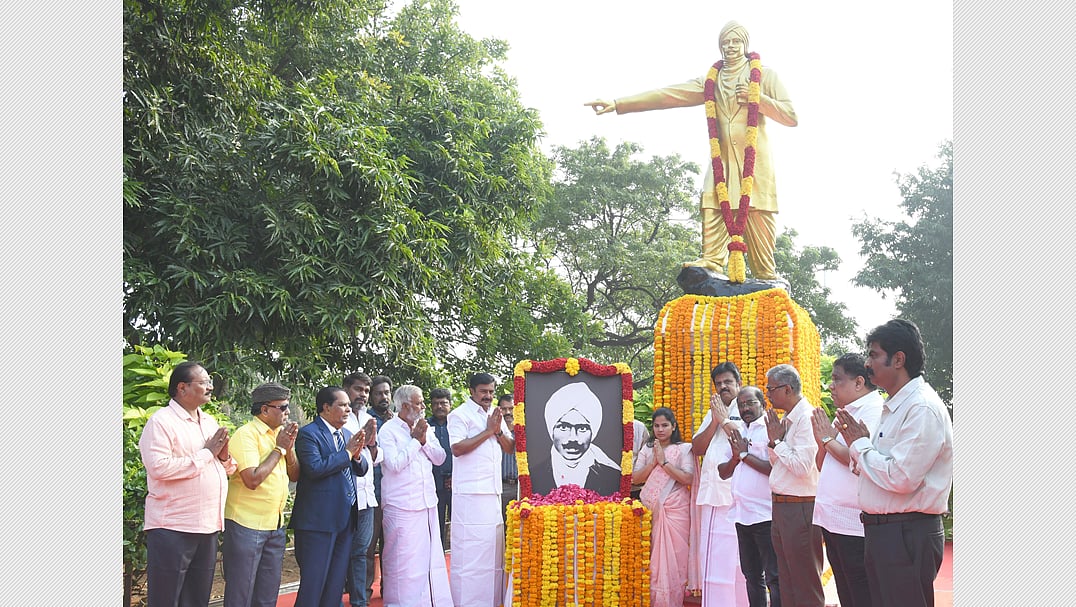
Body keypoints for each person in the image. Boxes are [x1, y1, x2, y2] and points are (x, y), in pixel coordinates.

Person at [585, 20, 797, 280]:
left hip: (755, 165)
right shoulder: (711, 80)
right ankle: (712, 260)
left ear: (745, 44)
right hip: (721, 161)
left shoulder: (765, 76)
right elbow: (668, 95)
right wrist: (618, 103)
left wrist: (758, 99)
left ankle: (766, 275)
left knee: (758, 216)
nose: (730, 47)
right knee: (712, 202)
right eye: (725, 42)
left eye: (735, 41)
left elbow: (790, 116)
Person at [836, 319, 953, 607]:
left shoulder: (921, 407)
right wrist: (861, 451)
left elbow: (901, 477)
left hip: (905, 533)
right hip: (886, 532)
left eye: (874, 354)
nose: (867, 363)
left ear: (898, 359)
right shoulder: (896, 405)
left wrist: (859, 446)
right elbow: (877, 466)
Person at [139, 361, 237, 607]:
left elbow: (228, 468)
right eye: (204, 382)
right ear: (182, 388)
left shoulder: (209, 421)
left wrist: (223, 455)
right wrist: (207, 453)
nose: (210, 387)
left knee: (196, 599)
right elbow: (158, 468)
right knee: (166, 599)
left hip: (207, 526)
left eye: (210, 382)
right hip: (173, 527)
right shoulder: (161, 422)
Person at [809, 354, 883, 607]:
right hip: (832, 516)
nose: (830, 386)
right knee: (845, 588)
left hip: (854, 519)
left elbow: (858, 459)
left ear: (859, 382)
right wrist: (823, 440)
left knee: (860, 591)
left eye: (837, 379)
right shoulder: (844, 412)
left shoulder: (873, 410)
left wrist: (827, 439)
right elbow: (822, 464)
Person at [222, 382, 301, 607]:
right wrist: (279, 449)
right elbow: (252, 480)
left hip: (274, 525)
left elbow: (295, 475)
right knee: (241, 594)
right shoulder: (246, 435)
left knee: (267, 595)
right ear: (264, 409)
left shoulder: (280, 435)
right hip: (246, 524)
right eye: (282, 407)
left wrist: (288, 449)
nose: (287, 412)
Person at [290, 386, 369, 607]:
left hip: (345, 518)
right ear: (326, 407)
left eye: (348, 405)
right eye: (342, 405)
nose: (348, 409)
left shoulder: (346, 435)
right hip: (318, 521)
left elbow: (361, 469)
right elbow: (315, 468)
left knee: (335, 583)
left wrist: (356, 456)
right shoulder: (309, 434)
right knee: (314, 583)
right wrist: (347, 453)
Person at [379, 385, 453, 607]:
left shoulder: (425, 427)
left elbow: (440, 458)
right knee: (402, 562)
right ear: (404, 406)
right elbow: (394, 465)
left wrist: (423, 440)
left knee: (427, 560)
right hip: (401, 505)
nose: (423, 406)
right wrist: (415, 441)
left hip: (426, 502)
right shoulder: (388, 430)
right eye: (419, 402)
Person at [447, 372, 514, 607]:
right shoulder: (459, 415)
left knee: (492, 554)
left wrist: (497, 430)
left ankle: (492, 602)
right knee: (470, 554)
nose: (488, 396)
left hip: (493, 492)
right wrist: (488, 431)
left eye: (491, 392)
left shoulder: (495, 414)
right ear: (472, 391)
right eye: (484, 391)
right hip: (470, 495)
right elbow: (457, 448)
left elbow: (510, 447)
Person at [764, 364, 823, 607]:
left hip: (800, 507)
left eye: (771, 389)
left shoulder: (806, 418)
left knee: (804, 581)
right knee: (787, 579)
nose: (767, 394)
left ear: (787, 389)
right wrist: (774, 442)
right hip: (782, 506)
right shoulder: (788, 419)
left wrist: (777, 442)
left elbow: (801, 467)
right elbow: (777, 463)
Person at [691, 362, 749, 607]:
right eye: (718, 383)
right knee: (713, 561)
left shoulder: (748, 407)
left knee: (739, 562)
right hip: (713, 497)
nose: (723, 387)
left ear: (739, 384)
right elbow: (697, 448)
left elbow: (745, 442)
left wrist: (724, 420)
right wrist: (715, 420)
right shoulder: (714, 411)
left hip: (737, 496)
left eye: (728, 382)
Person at [720, 387, 779, 607]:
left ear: (763, 404)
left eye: (750, 403)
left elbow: (775, 470)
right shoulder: (738, 432)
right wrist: (736, 457)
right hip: (741, 515)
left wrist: (744, 455)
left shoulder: (771, 430)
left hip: (765, 515)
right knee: (752, 575)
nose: (745, 408)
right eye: (741, 404)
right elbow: (723, 472)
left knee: (774, 576)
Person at [632, 407, 696, 607]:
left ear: (673, 426)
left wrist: (665, 462)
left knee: (675, 556)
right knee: (654, 559)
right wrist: (653, 462)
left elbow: (688, 478)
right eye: (656, 426)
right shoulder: (647, 449)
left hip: (676, 509)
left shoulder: (684, 449)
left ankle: (674, 600)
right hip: (651, 510)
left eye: (665, 425)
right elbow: (635, 478)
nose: (660, 429)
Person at [533, 382, 621, 494]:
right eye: (564, 427)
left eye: (582, 428)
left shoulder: (612, 477)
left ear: (593, 433)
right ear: (552, 430)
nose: (573, 438)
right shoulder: (533, 476)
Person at [342, 372, 383, 607]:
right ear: (346, 389)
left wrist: (372, 442)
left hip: (367, 497)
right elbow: (340, 455)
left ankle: (359, 601)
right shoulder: (338, 417)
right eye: (358, 389)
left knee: (362, 552)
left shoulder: (369, 418)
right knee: (340, 552)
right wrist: (360, 441)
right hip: (345, 497)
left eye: (366, 391)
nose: (363, 395)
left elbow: (376, 458)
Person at [364, 375, 394, 601]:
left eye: (386, 393)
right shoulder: (365, 420)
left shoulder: (398, 421)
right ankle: (363, 594)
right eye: (378, 393)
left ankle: (390, 589)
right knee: (367, 545)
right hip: (371, 493)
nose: (383, 397)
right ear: (371, 397)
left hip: (394, 493)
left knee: (391, 545)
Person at [427, 387, 454, 546]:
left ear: (450, 404)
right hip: (433, 482)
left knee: (458, 523)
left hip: (455, 482)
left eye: (443, 403)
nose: (439, 407)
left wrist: (456, 475)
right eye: (435, 403)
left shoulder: (457, 424)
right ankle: (438, 558)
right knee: (435, 525)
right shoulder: (425, 425)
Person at [498, 394, 519, 524]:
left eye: (511, 408)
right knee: (501, 525)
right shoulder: (494, 431)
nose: (508, 413)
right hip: (501, 487)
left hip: (520, 486)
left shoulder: (525, 432)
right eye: (504, 409)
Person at [629, 418, 651, 500]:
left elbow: (648, 456)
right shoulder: (603, 425)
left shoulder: (639, 427)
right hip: (604, 488)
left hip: (634, 489)